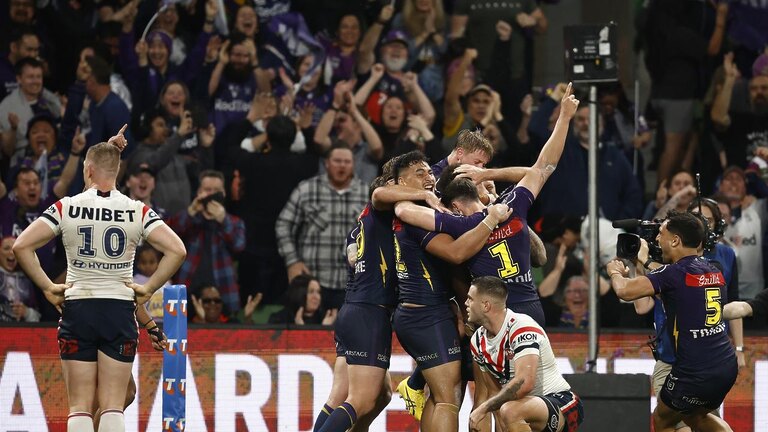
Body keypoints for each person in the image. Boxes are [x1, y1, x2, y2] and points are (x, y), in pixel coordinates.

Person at [12, 126, 186, 432]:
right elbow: (177, 250)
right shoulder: (136, 211)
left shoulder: (67, 207)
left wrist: (48, 286)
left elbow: (21, 245)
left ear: (88, 170)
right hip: (118, 311)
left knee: (79, 406)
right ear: (117, 173)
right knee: (112, 404)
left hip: (78, 307)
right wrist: (147, 288)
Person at [606, 211, 737, 432]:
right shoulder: (714, 269)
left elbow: (625, 291)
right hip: (725, 365)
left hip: (694, 372)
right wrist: (645, 262)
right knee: (696, 416)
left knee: (662, 419)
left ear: (675, 240)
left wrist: (615, 272)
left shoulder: (673, 274)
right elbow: (672, 287)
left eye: (661, 234)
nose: (657, 239)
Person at [466, 276, 583, 432]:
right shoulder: (477, 340)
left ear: (486, 305)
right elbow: (492, 393)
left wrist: (484, 408)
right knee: (503, 411)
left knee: (509, 410)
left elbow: (524, 383)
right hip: (518, 410)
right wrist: (480, 415)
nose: (466, 304)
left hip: (560, 402)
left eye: (470, 299)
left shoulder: (521, 327)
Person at [276, 143, 369, 310]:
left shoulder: (367, 194)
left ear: (354, 164)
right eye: (337, 161)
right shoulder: (306, 190)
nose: (342, 165)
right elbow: (283, 225)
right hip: (313, 282)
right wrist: (292, 261)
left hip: (354, 282)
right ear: (326, 163)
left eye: (347, 162)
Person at [169, 169, 245, 315]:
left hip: (223, 293)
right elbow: (170, 236)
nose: (211, 194)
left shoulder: (234, 222)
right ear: (199, 192)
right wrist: (191, 212)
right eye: (207, 190)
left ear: (224, 193)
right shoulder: (189, 218)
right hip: (188, 291)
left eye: (216, 190)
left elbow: (238, 246)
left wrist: (223, 220)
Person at [267, 274, 337, 325]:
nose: (316, 297)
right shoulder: (279, 319)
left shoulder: (325, 319)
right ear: (299, 294)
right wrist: (299, 331)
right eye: (311, 292)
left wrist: (325, 330)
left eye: (318, 292)